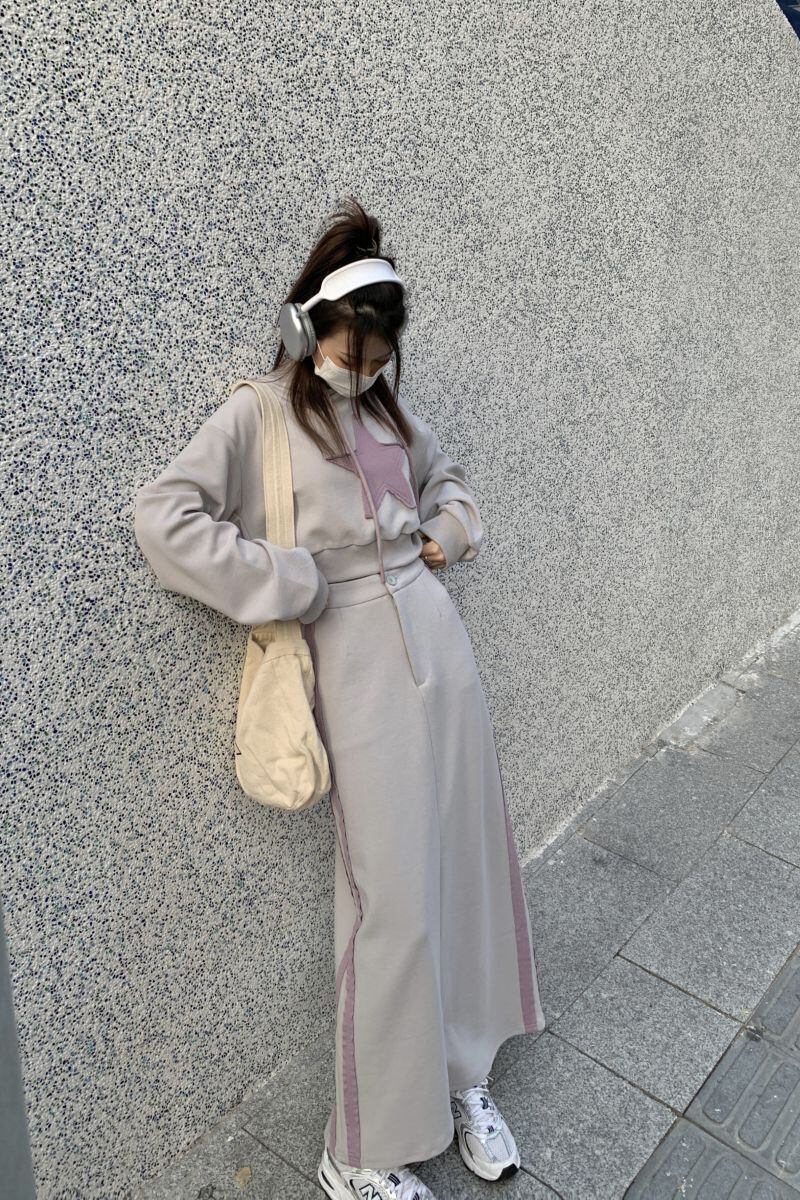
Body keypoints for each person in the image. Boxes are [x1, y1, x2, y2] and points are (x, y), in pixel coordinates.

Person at [133, 196, 546, 1200]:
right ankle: (359, 1150)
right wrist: (287, 579)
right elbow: (163, 517)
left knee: (463, 872)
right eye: (346, 351)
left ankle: (461, 1076)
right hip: (353, 677)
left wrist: (449, 530)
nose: (358, 370)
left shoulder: (392, 415)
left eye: (376, 356)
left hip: (442, 660)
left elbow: (449, 481)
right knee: (391, 905)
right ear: (306, 327)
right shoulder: (258, 415)